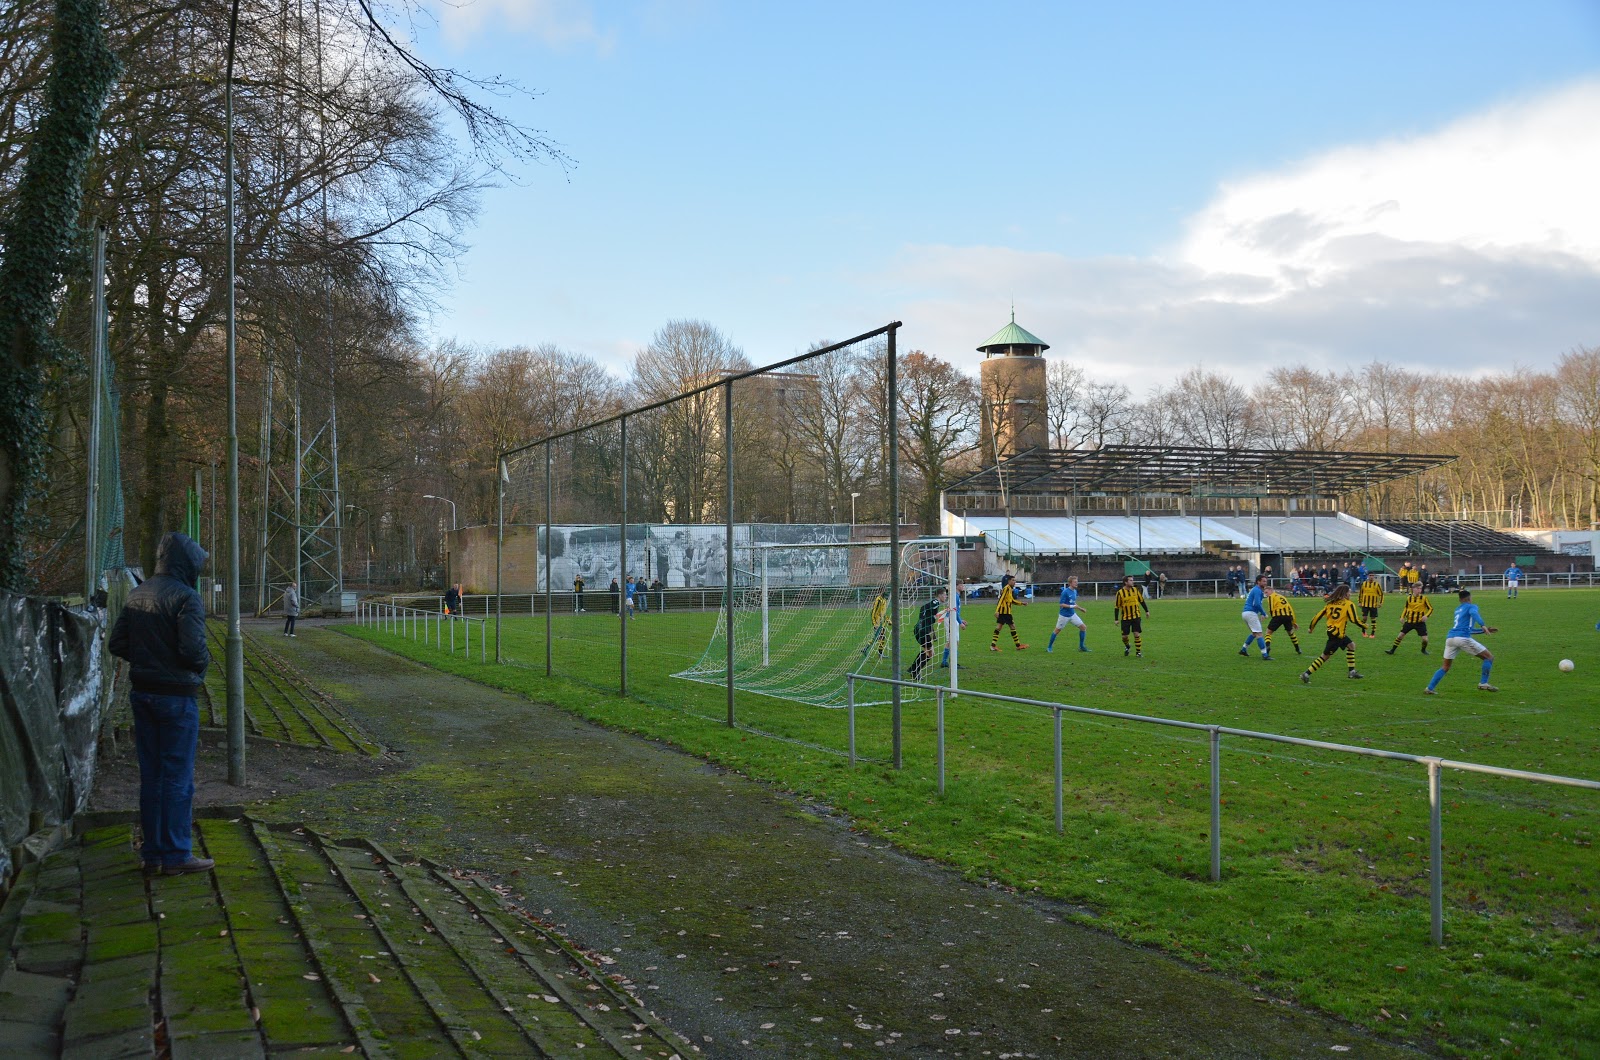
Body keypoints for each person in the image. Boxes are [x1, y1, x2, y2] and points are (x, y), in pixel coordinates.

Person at [108, 531, 215, 876]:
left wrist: (147, 661)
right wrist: (197, 666)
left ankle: (153, 852)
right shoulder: (187, 598)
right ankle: (176, 854)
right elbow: (193, 652)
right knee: (178, 777)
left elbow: (118, 642)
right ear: (186, 564)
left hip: (142, 692)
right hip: (176, 698)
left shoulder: (138, 592)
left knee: (152, 776)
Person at [1426, 590, 1498, 693]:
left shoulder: (1457, 609)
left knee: (1445, 666)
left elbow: (1466, 629)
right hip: (1462, 638)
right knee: (1489, 657)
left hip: (1450, 638)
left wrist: (1482, 631)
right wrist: (1482, 625)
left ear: (1460, 600)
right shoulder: (1472, 606)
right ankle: (1483, 683)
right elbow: (1473, 613)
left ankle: (1429, 688)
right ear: (1470, 598)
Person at [1299, 583, 1367, 683]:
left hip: (1333, 632)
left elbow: (1317, 616)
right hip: (1338, 635)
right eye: (1349, 592)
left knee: (1351, 646)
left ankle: (1352, 672)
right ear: (1345, 593)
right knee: (1325, 656)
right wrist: (1364, 626)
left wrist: (1311, 628)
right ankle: (1306, 674)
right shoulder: (1349, 604)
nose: (1350, 594)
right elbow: (1354, 619)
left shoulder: (1330, 604)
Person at [909, 588, 950, 681]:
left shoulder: (934, 604)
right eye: (944, 594)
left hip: (919, 629)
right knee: (930, 653)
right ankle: (914, 671)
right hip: (922, 630)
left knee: (928, 651)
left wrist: (932, 632)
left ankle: (913, 669)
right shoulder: (935, 602)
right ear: (939, 595)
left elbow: (925, 610)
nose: (946, 596)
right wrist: (945, 611)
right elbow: (928, 609)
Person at [1386, 583, 1434, 655]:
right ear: (1413, 589)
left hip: (1420, 623)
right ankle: (1392, 650)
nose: (1419, 590)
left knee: (1425, 640)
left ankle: (1423, 650)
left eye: (1420, 589)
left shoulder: (1424, 598)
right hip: (1409, 622)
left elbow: (1430, 608)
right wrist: (1402, 617)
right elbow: (1406, 608)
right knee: (1400, 636)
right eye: (1418, 588)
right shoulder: (1409, 598)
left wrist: (1426, 616)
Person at [1047, 575, 1089, 653]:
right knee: (1057, 631)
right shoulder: (1065, 592)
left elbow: (1073, 602)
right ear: (1070, 583)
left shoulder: (1074, 591)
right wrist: (1073, 606)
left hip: (1072, 614)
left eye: (1077, 582)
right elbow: (1061, 604)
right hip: (1064, 616)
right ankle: (1049, 647)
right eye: (1075, 582)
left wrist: (1080, 608)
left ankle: (1081, 646)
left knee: (1083, 627)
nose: (1076, 583)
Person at [989, 573, 1029, 651]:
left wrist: (1021, 603)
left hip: (1006, 612)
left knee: (1000, 627)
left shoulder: (1010, 589)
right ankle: (1017, 645)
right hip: (1004, 612)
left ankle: (993, 646)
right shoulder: (1006, 588)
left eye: (1015, 580)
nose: (1015, 582)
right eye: (1013, 580)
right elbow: (1001, 599)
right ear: (1009, 581)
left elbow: (1011, 601)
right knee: (1011, 626)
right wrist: (997, 611)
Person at [1113, 574, 1149, 658]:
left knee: (1136, 634)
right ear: (1126, 582)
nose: (1133, 582)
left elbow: (1142, 601)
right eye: (1131, 580)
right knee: (1124, 636)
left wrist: (1147, 611)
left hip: (1136, 616)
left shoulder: (1135, 590)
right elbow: (1117, 607)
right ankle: (1127, 645)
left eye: (1132, 580)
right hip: (1125, 617)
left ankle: (1138, 652)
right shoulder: (1120, 593)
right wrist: (1116, 619)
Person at [1239, 575, 1270, 660]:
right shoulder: (1257, 590)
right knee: (1259, 634)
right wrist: (1264, 613)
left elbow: (1256, 604)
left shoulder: (1256, 590)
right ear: (1258, 582)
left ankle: (1243, 649)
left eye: (1265, 581)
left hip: (1246, 613)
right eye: (1263, 581)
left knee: (1254, 633)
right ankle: (1265, 655)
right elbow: (1257, 604)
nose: (1265, 583)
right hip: (1250, 613)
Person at [1264, 585, 1302, 656]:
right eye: (1265, 593)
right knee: (1290, 633)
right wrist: (1294, 621)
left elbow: (1271, 608)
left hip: (1278, 616)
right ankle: (1298, 648)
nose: (1266, 594)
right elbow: (1290, 608)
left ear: (1271, 590)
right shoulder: (1282, 597)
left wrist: (1270, 616)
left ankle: (1267, 647)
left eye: (1266, 592)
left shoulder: (1271, 597)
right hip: (1288, 616)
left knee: (1268, 632)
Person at [939, 580, 966, 667]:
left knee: (952, 641)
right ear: (956, 586)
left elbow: (956, 611)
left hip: (952, 619)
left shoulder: (956, 596)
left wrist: (961, 620)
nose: (962, 586)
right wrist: (960, 622)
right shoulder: (955, 596)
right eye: (961, 585)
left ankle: (945, 662)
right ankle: (953, 663)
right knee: (954, 641)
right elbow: (954, 611)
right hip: (951, 619)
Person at [1356, 572, 1384, 639]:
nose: (1371, 577)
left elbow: (1381, 594)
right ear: (1368, 576)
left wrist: (1380, 603)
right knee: (1364, 618)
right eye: (1370, 575)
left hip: (1373, 605)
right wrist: (1359, 602)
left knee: (1373, 619)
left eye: (1372, 575)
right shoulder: (1364, 584)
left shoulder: (1376, 584)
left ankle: (1372, 633)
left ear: (1373, 576)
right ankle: (1363, 631)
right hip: (1365, 604)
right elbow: (1360, 593)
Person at [866, 589, 891, 658]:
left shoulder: (884, 600)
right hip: (877, 622)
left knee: (877, 637)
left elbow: (883, 613)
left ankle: (865, 649)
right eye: (883, 590)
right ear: (880, 591)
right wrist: (875, 623)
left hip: (881, 622)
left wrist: (888, 620)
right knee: (881, 637)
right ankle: (880, 654)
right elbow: (873, 612)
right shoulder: (878, 600)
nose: (885, 591)